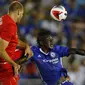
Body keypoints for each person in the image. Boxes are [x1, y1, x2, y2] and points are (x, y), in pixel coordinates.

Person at [0, 1, 33, 85]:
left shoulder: (4, 18)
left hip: (8, 56)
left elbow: (12, 39)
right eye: (22, 14)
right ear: (18, 12)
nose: (22, 16)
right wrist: (14, 64)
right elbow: (1, 50)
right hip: (4, 64)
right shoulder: (10, 25)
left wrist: (26, 45)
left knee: (31, 51)